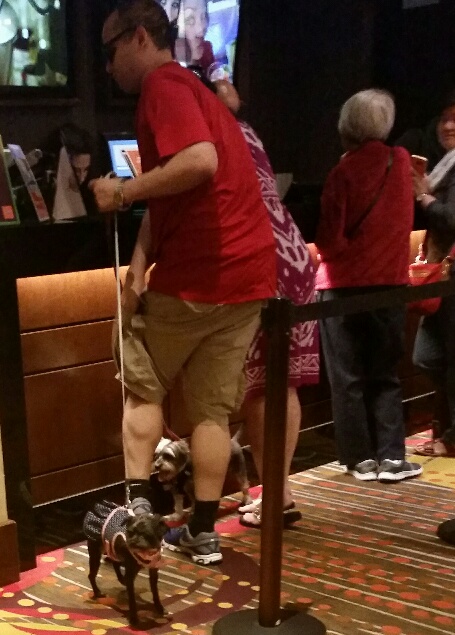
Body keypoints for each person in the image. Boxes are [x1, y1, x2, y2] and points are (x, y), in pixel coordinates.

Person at [89, 0, 276, 566]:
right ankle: (201, 531)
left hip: (200, 274)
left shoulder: (162, 87)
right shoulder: (193, 88)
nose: (105, 66)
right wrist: (141, 260)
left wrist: (120, 192)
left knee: (142, 384)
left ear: (140, 37)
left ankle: (136, 520)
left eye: (109, 49)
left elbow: (198, 163)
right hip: (245, 276)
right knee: (211, 414)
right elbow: (179, 188)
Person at [213, 80, 319, 528]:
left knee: (258, 385)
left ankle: (275, 496)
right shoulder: (249, 132)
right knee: (283, 381)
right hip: (294, 256)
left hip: (260, 264)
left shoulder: (210, 139)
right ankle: (282, 491)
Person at [315, 89, 423, 483]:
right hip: (392, 284)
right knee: (385, 373)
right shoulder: (401, 161)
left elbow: (329, 240)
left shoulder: (341, 172)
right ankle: (393, 457)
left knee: (347, 379)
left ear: (347, 125)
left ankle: (360, 459)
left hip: (342, 288)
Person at [411, 91, 455, 458]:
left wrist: (424, 199)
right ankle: (446, 430)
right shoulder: (445, 165)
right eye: (444, 117)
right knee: (428, 356)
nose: (449, 125)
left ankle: (449, 436)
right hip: (441, 272)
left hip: (451, 273)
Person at [174, 0, 215, 75]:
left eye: (204, 15)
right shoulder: (168, 75)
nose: (201, 29)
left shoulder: (206, 51)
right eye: (189, 19)